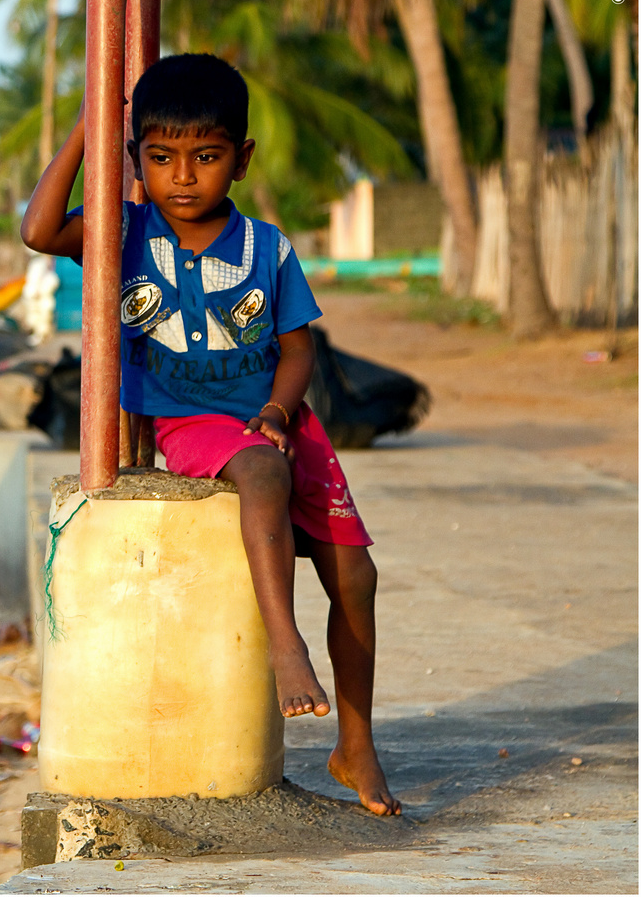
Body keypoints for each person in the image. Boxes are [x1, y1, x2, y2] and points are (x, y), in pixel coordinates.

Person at [20, 53, 400, 817]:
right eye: (160, 158)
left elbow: (298, 350)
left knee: (356, 576)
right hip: (189, 420)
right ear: (136, 160)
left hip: (277, 415)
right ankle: (284, 646)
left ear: (241, 158)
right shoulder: (123, 231)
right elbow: (37, 230)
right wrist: (88, 130)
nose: (183, 177)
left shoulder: (267, 248)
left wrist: (281, 413)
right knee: (260, 475)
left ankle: (355, 744)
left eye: (205, 156)